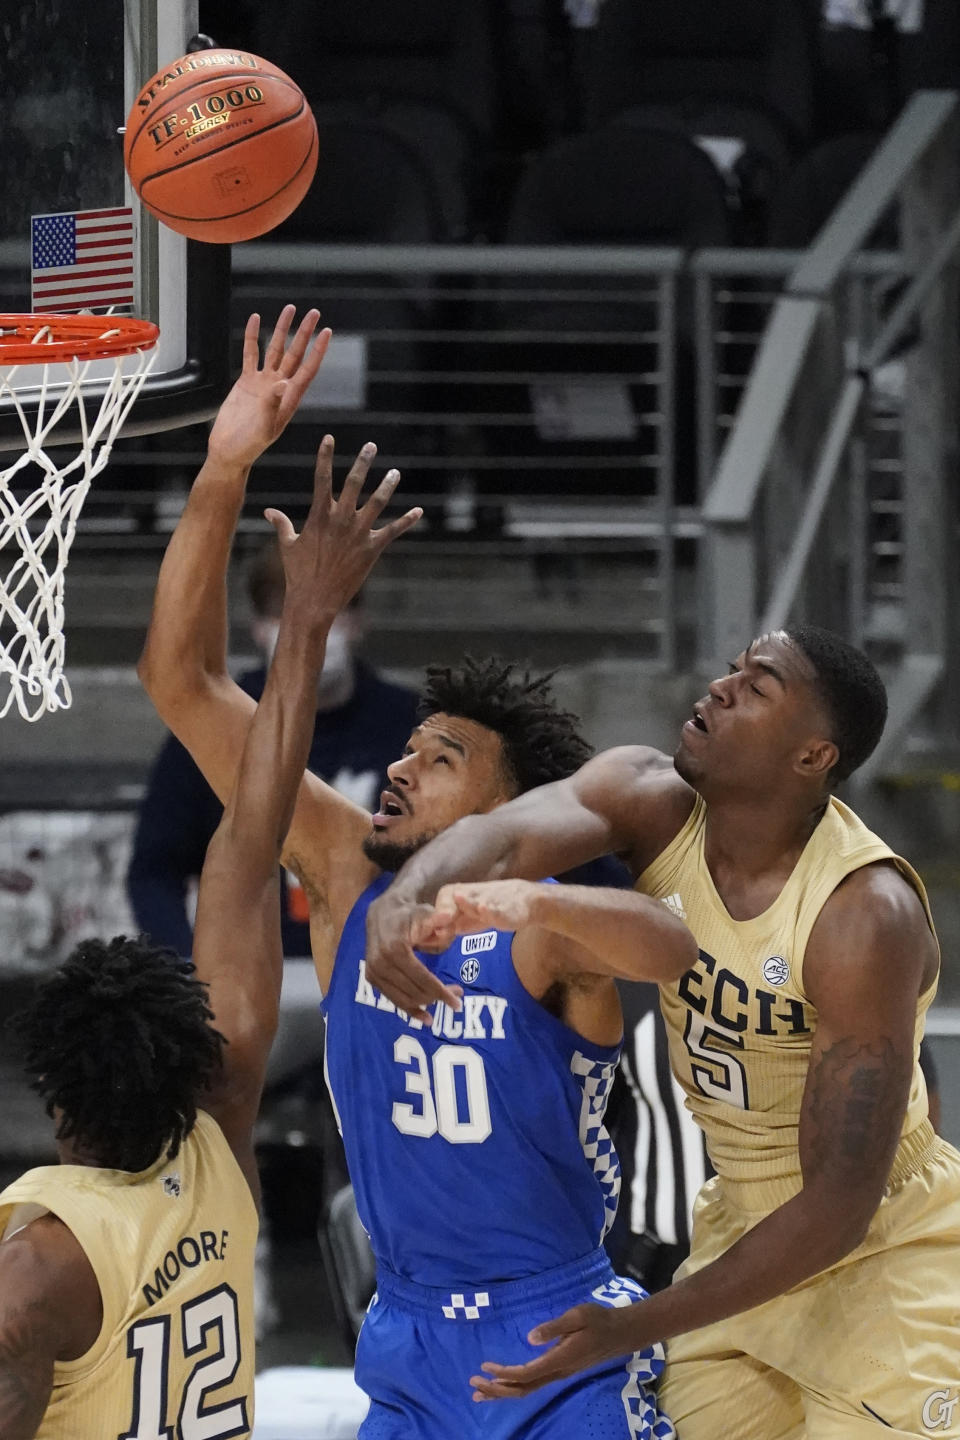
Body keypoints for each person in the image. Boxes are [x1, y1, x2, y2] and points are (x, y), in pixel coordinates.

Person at [137, 303, 699, 1438]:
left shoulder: (546, 922)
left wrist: (531, 891)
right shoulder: (350, 877)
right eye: (408, 745)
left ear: (505, 810)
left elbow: (670, 943)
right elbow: (182, 681)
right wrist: (224, 464)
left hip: (559, 1339)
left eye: (439, 760)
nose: (399, 764)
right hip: (402, 1339)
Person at [366, 626, 960, 1439]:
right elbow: (503, 833)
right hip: (740, 1229)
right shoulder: (647, 796)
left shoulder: (862, 914)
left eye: (759, 686)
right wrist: (406, 897)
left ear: (813, 756)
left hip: (883, 1245)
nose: (721, 687)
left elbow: (837, 1208)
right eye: (731, 669)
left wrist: (633, 1324)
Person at [0, 335, 417, 1437]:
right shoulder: (220, 1137)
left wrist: (232, 477)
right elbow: (246, 841)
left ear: (56, 1105)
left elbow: (243, 833)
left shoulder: (34, 1268)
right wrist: (307, 619)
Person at [127, 540, 418, 960]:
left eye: (329, 611)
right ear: (260, 627)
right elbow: (154, 870)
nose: (311, 629)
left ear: (357, 620)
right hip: (249, 975)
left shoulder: (412, 725)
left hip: (380, 973)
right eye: (288, 613)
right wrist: (190, 977)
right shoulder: (216, 724)